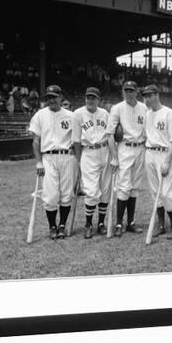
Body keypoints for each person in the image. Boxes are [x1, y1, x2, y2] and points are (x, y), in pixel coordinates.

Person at [28, 85, 78, 240]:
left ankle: (62, 225)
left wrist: (76, 153)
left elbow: (77, 138)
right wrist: (38, 162)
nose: (51, 100)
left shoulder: (71, 115)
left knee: (67, 193)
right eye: (49, 97)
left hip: (67, 157)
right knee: (50, 194)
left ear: (60, 97)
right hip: (48, 157)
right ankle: (52, 226)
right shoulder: (40, 115)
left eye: (54, 97)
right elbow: (36, 141)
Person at [107, 81, 148, 237]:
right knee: (124, 186)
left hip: (140, 147)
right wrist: (114, 157)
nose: (128, 93)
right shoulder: (117, 108)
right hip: (125, 147)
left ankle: (130, 222)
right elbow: (110, 134)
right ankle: (118, 223)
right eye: (126, 90)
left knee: (134, 186)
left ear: (136, 91)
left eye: (131, 90)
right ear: (123, 91)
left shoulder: (144, 108)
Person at [72, 87, 112, 238]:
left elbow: (110, 136)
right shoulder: (77, 114)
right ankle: (88, 224)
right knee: (91, 190)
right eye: (88, 97)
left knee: (105, 188)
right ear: (85, 98)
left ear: (98, 100)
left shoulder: (105, 114)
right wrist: (78, 159)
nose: (90, 100)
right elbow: (76, 140)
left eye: (93, 98)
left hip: (105, 150)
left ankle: (101, 223)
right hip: (88, 152)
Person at [141, 84, 172, 239]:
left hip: (165, 153)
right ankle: (162, 224)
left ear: (157, 95)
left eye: (150, 95)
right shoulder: (147, 114)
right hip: (150, 152)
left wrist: (167, 161)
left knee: (166, 193)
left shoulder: (169, 113)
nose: (148, 99)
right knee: (155, 191)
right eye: (146, 96)